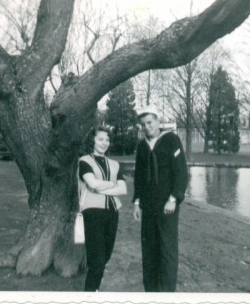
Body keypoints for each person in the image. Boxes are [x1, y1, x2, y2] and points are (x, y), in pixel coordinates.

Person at [132, 105, 188, 292]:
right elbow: (139, 176)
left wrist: (174, 198)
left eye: (150, 122)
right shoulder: (141, 147)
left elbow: (181, 172)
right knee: (149, 250)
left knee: (167, 251)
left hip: (167, 205)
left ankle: (166, 293)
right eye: (143, 124)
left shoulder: (171, 140)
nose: (147, 127)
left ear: (157, 121)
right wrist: (137, 202)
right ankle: (151, 292)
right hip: (148, 206)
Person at [78, 126, 127, 292]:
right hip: (92, 213)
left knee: (106, 256)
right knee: (97, 261)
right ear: (93, 140)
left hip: (112, 213)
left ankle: (94, 290)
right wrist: (113, 184)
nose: (104, 143)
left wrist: (103, 187)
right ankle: (90, 294)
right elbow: (91, 184)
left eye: (107, 139)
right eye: (100, 139)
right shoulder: (85, 161)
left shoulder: (115, 164)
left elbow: (123, 189)